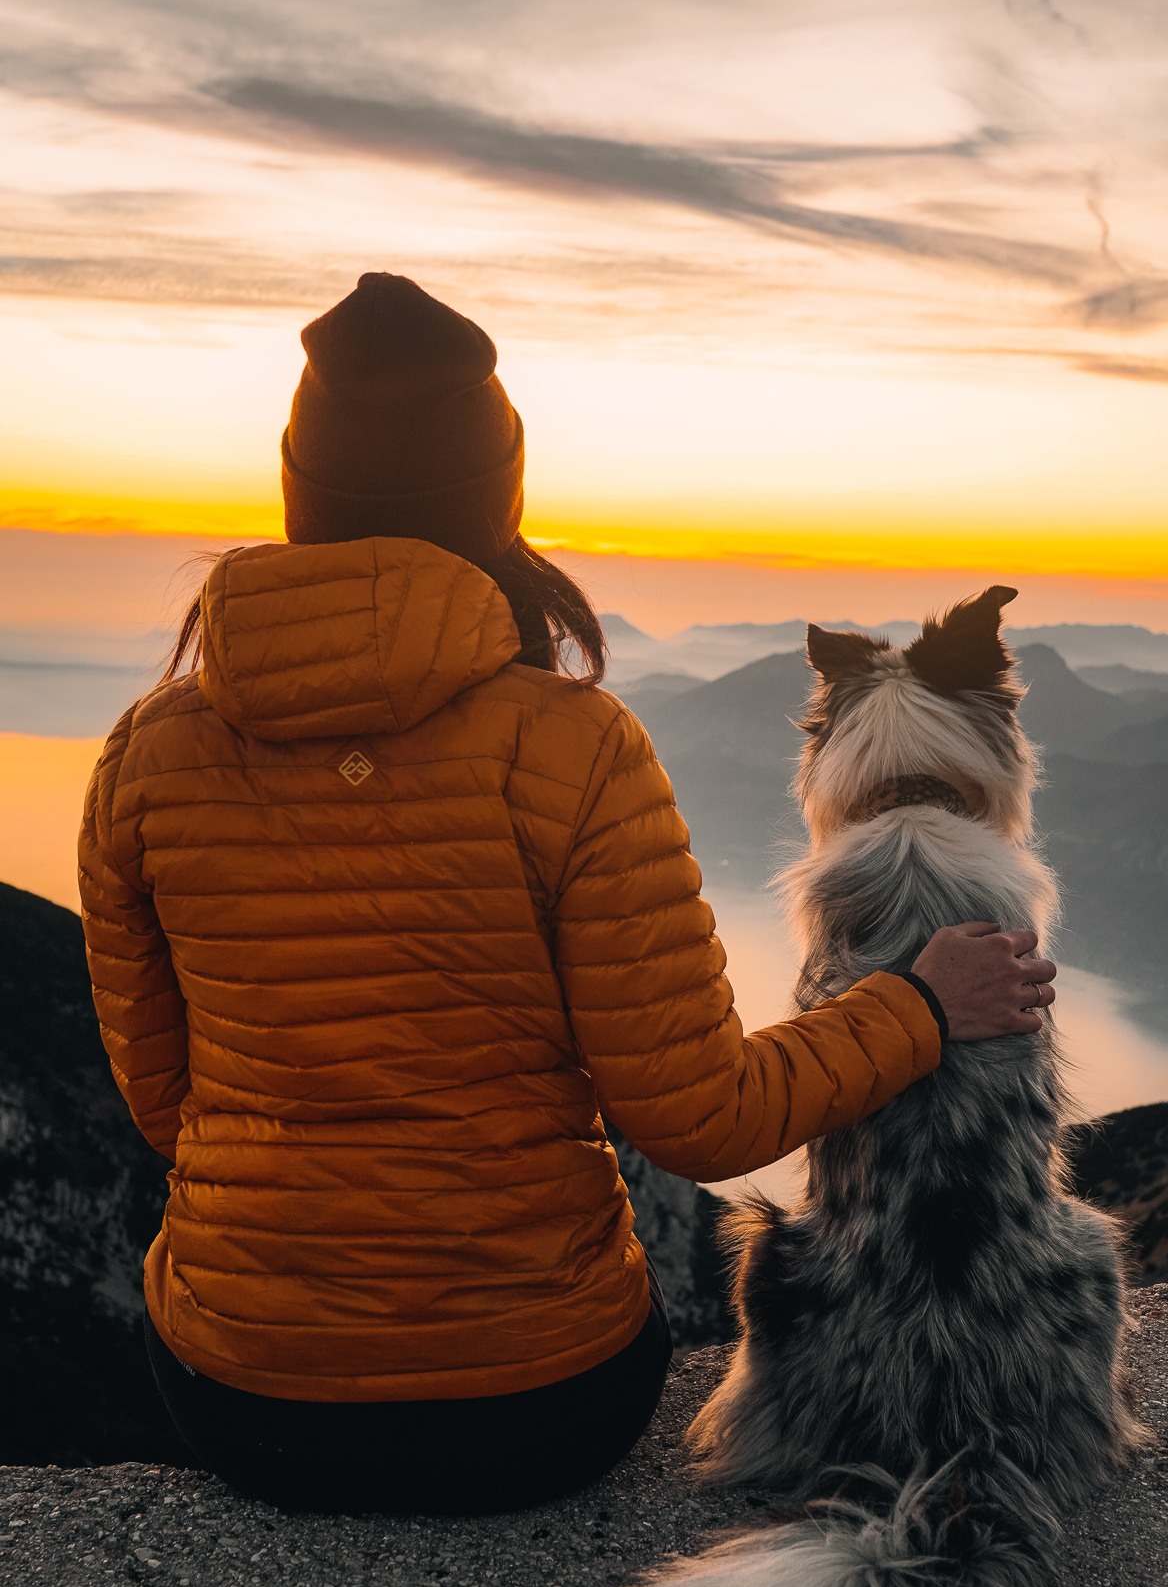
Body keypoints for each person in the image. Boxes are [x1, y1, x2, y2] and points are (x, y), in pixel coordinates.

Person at [77, 273, 1058, 1515]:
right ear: (499, 499)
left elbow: (165, 1103)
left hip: (243, 1403)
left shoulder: (148, 754)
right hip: (540, 1406)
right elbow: (701, 1118)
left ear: (297, 493)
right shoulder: (577, 745)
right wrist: (919, 1005)